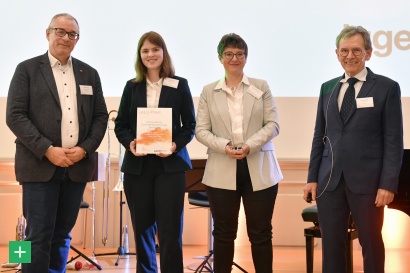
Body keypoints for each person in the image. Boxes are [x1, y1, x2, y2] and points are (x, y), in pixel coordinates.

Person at [6, 13, 108, 273]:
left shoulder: (89, 73)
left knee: (62, 235)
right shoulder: (26, 69)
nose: (66, 37)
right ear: (47, 33)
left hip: (75, 168)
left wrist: (84, 149)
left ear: (77, 40)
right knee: (35, 236)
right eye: (60, 31)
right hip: (39, 165)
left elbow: (99, 118)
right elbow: (15, 116)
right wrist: (48, 150)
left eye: (72, 34)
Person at [303, 25, 403, 273]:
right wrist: (312, 178)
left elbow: (393, 139)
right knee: (332, 247)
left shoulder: (386, 88)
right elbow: (319, 136)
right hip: (330, 182)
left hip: (369, 183)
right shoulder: (328, 88)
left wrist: (388, 184)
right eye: (344, 50)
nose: (350, 56)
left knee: (371, 243)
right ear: (336, 53)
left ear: (368, 53)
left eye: (356, 50)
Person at [195, 33, 283, 273]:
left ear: (246, 57)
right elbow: (201, 130)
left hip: (260, 167)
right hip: (221, 169)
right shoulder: (208, 91)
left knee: (261, 232)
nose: (234, 58)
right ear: (220, 58)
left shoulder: (261, 87)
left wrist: (249, 145)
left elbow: (273, 124)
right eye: (229, 54)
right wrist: (224, 146)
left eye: (239, 54)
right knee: (223, 233)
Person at [114, 31, 196, 273]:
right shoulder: (132, 86)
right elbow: (121, 125)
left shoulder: (180, 84)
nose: (150, 55)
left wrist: (174, 146)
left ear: (163, 53)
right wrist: (131, 143)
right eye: (145, 51)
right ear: (140, 55)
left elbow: (189, 126)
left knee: (170, 230)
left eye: (155, 50)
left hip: (170, 167)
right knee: (142, 229)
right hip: (138, 168)